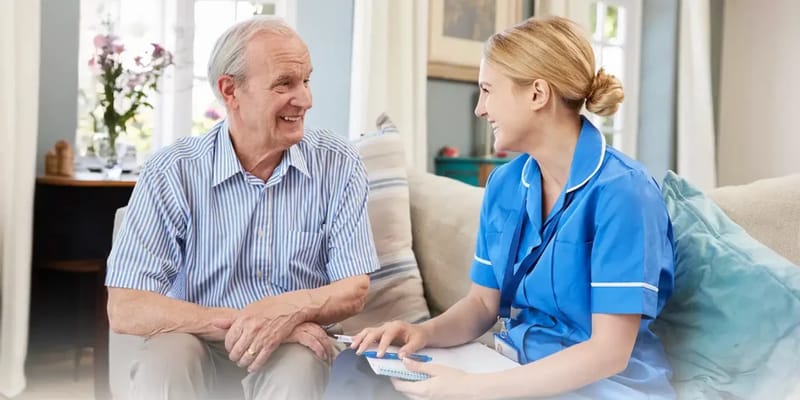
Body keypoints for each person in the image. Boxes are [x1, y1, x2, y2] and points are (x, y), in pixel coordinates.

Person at [340, 16, 676, 399]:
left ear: (537, 94)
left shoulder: (624, 192)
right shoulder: (505, 185)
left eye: (487, 90)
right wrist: (422, 333)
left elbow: (608, 353)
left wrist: (476, 388)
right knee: (357, 373)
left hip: (603, 385)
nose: (480, 109)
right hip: (513, 366)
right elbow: (483, 304)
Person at [105, 16, 379, 400]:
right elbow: (127, 307)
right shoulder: (173, 171)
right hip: (199, 338)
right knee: (169, 356)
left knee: (301, 361)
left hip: (294, 346)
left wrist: (291, 311)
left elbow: (354, 288)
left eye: (306, 80)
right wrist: (260, 323)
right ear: (230, 90)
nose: (305, 99)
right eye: (285, 83)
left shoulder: (338, 163)